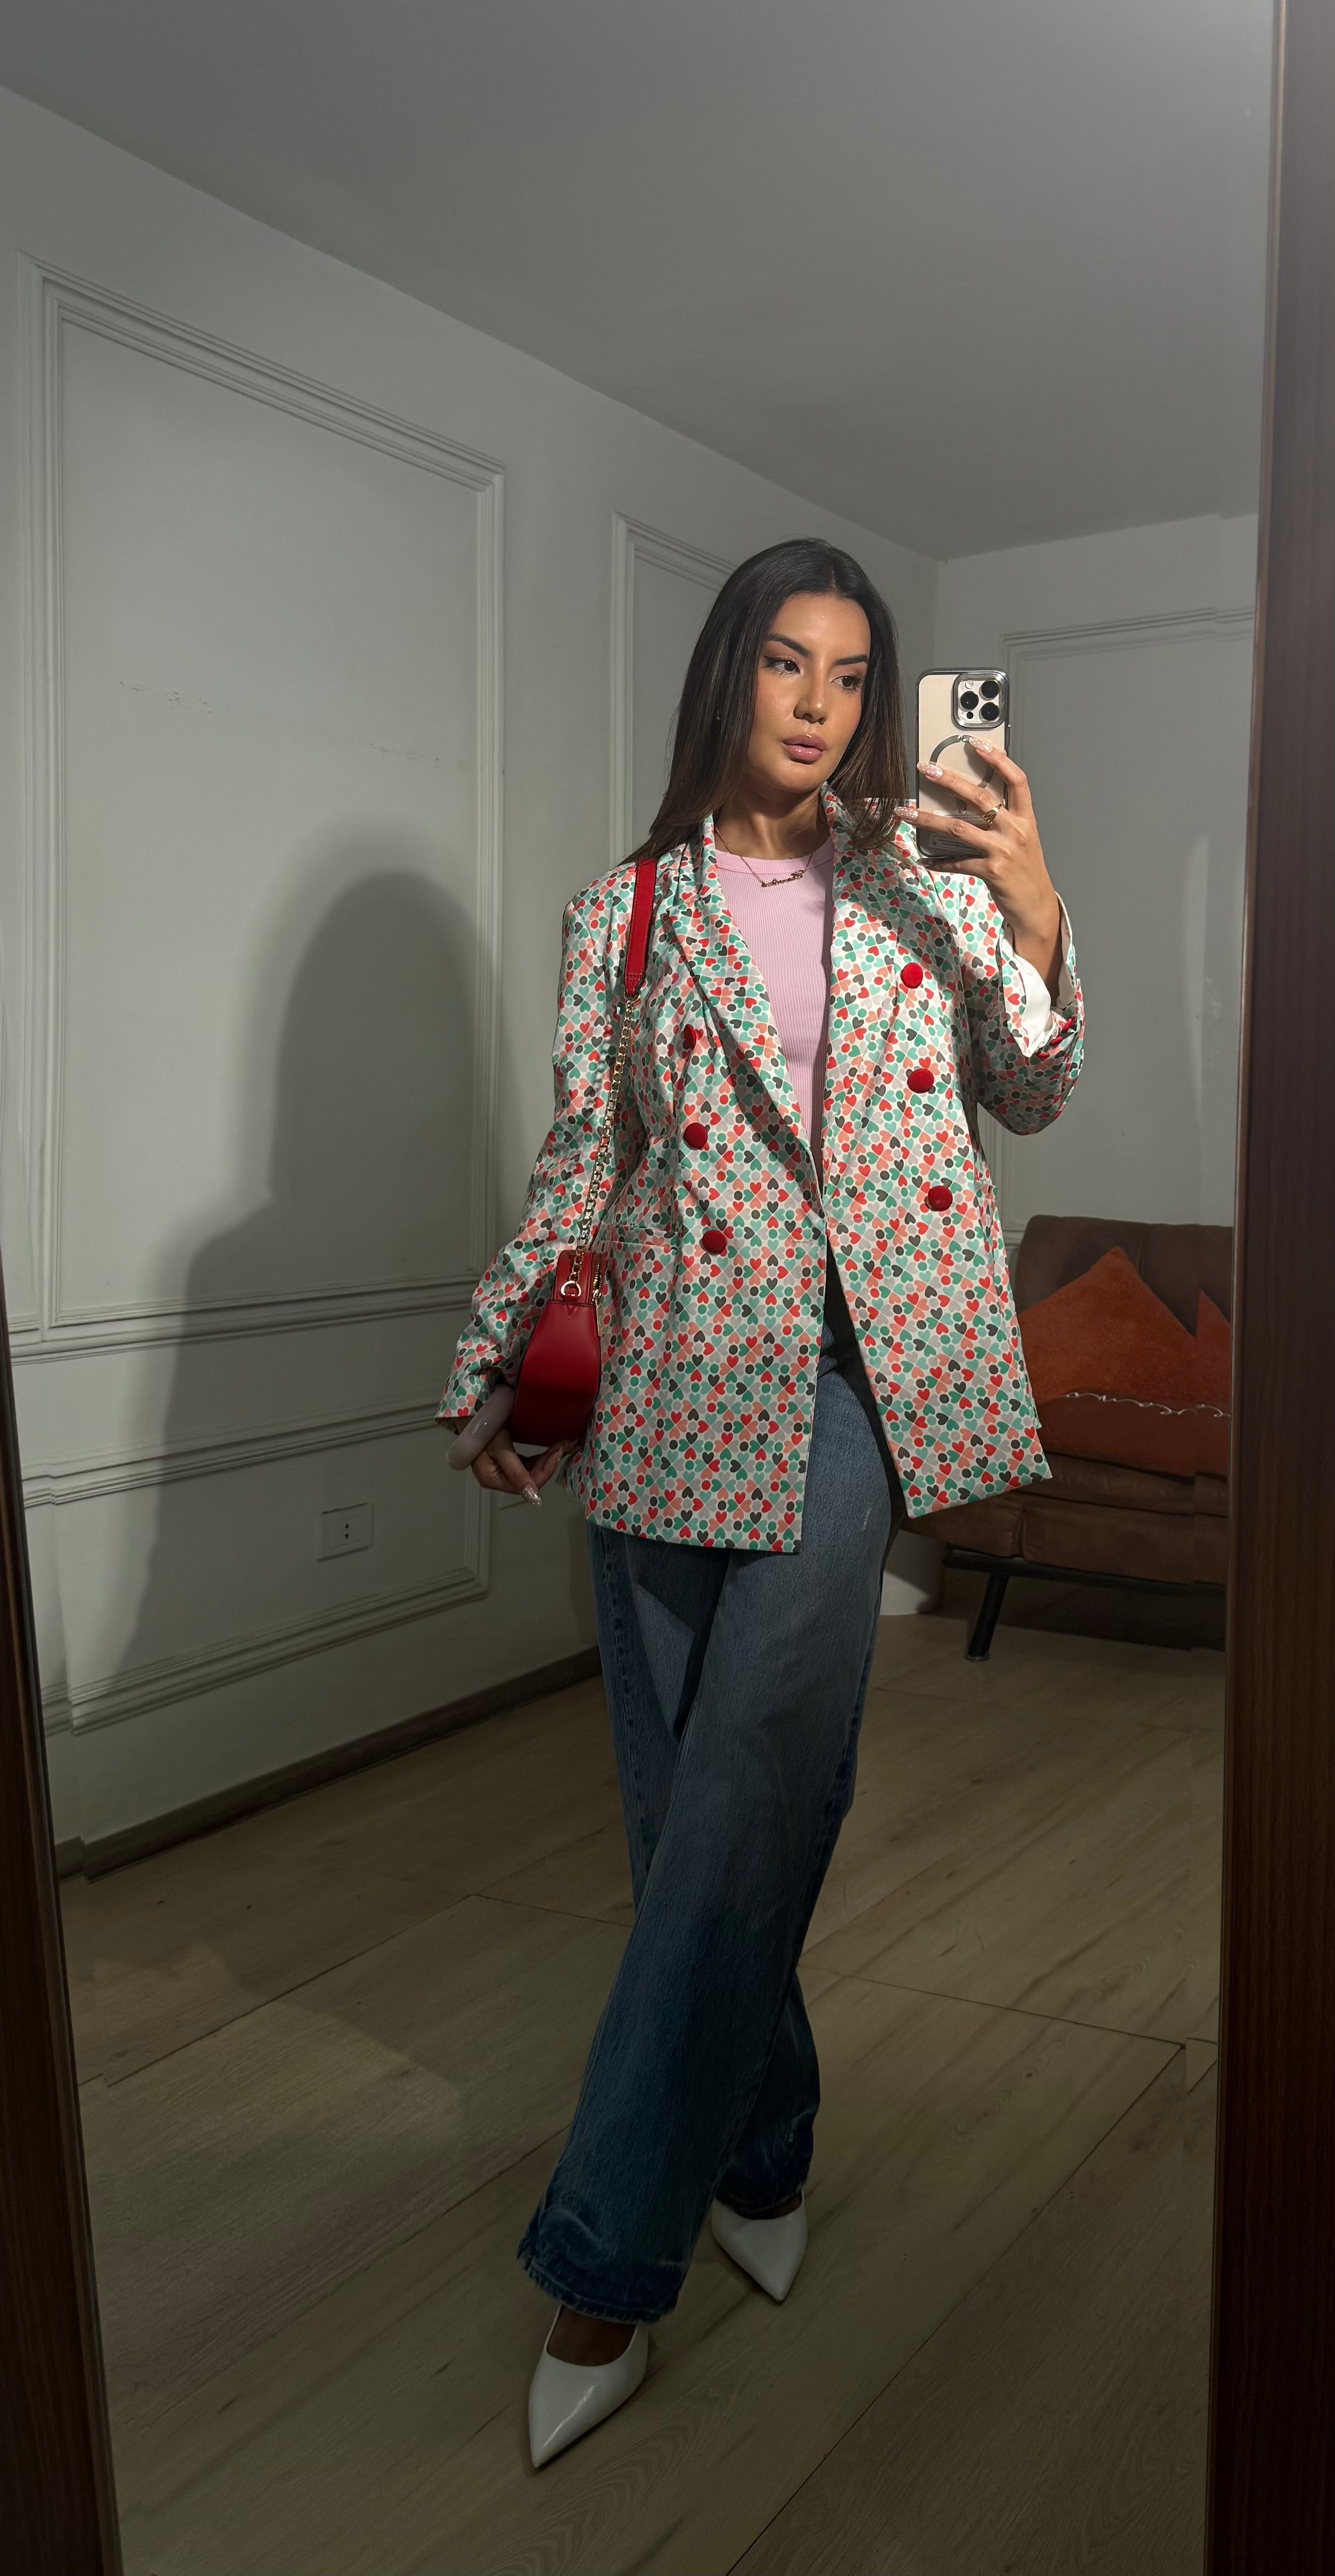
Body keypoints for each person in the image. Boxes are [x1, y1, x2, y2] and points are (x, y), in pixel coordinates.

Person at [437, 536, 1082, 2466]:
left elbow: (1031, 1089)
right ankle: (768, 2136)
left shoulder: (921, 876)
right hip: (660, 1395)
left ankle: (604, 2257)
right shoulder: (625, 911)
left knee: (748, 1784)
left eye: (852, 675)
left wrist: (1035, 902)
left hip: (854, 1388)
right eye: (787, 664)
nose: (820, 704)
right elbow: (584, 1171)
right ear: (728, 674)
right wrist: (512, 1368)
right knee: (692, 1826)